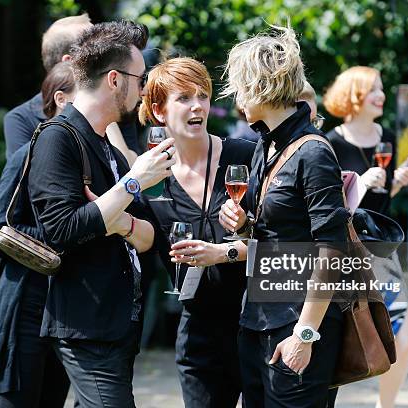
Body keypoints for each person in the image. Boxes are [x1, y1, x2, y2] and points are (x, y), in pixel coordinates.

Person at [27, 20, 175, 407]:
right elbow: (60, 229)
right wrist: (133, 183)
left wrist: (117, 218)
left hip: (118, 325)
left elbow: (149, 238)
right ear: (114, 79)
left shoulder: (104, 141)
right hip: (85, 327)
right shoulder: (57, 137)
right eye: (140, 79)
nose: (143, 90)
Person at [219, 26, 351, 407]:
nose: (237, 98)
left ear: (263, 86)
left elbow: (332, 251)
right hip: (257, 320)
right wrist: (244, 225)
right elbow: (275, 235)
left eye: (242, 86)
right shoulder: (267, 144)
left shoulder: (313, 152)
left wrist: (305, 335)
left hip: (297, 327)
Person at [138, 57, 255, 407]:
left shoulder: (245, 157)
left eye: (202, 96)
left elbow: (281, 240)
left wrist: (235, 239)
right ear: (159, 111)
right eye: (184, 98)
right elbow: (141, 239)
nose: (196, 106)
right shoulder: (150, 180)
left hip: (257, 321)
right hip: (198, 330)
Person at [0, 61, 78, 407]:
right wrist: (61, 233)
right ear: (62, 101)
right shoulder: (28, 154)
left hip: (65, 314)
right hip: (22, 306)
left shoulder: (87, 159)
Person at [323, 66, 408, 408]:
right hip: (344, 252)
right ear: (355, 96)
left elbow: (382, 204)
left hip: (381, 252)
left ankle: (385, 405)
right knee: (342, 332)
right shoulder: (330, 143)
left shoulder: (387, 136)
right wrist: (360, 182)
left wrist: (396, 185)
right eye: (374, 89)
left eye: (381, 88)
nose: (382, 95)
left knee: (402, 335)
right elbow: (334, 204)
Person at [4, 13, 91, 159]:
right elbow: (26, 177)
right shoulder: (21, 119)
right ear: (70, 62)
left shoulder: (116, 103)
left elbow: (132, 170)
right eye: (98, 50)